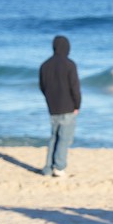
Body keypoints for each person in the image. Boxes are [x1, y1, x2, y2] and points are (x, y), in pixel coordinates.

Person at [38, 35, 81, 177]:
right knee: (64, 138)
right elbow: (75, 87)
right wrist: (77, 104)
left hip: (53, 106)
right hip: (67, 106)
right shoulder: (70, 65)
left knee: (53, 137)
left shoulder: (45, 65)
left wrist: (49, 99)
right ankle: (59, 167)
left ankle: (48, 168)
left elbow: (42, 87)